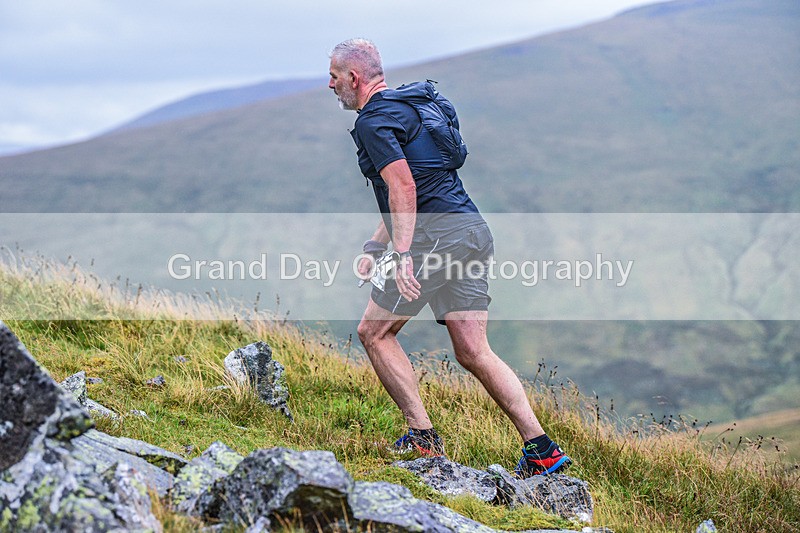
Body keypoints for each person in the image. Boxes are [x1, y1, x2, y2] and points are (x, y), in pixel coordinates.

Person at [328, 38, 571, 477]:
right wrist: (375, 246)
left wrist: (401, 256)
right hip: (471, 231)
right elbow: (412, 186)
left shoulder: (372, 122)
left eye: (333, 76)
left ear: (354, 78)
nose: (330, 85)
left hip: (436, 239)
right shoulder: (411, 106)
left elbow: (404, 189)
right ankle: (542, 450)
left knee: (374, 332)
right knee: (474, 350)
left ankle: (422, 439)